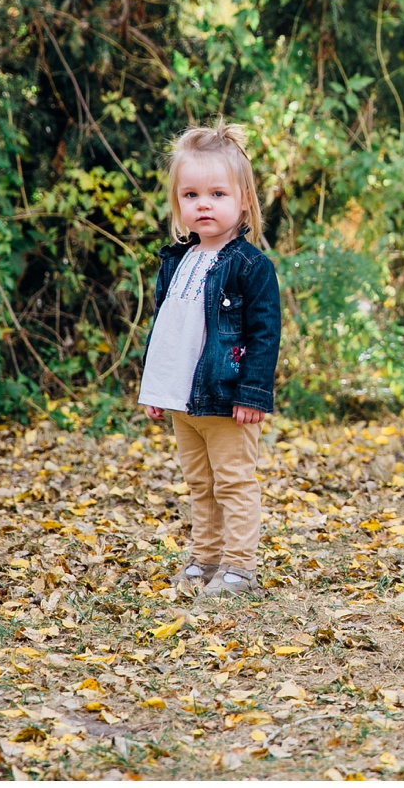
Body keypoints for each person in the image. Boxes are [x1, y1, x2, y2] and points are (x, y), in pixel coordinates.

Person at [138, 123, 281, 597]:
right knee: (200, 483)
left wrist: (253, 393)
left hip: (227, 399)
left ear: (243, 200)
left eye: (217, 193)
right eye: (191, 194)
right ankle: (206, 559)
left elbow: (264, 335)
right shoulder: (177, 260)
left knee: (233, 483)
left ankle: (239, 569)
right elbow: (167, 329)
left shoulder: (251, 267)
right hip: (183, 399)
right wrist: (156, 389)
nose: (203, 204)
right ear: (177, 203)